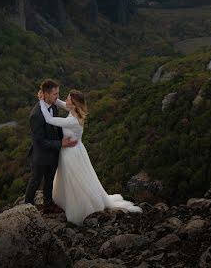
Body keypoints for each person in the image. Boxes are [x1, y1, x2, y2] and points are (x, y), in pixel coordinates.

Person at [36, 87, 143, 225]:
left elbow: (49, 119)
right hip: (77, 149)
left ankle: (79, 206)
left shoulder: (72, 120)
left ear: (74, 104)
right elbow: (60, 103)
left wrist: (40, 101)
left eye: (68, 99)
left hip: (71, 153)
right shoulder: (76, 112)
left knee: (74, 179)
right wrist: (48, 97)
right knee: (77, 178)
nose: (66, 100)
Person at [24, 79, 77, 213]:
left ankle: (48, 206)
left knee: (50, 180)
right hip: (40, 155)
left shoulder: (53, 106)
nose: (57, 97)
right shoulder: (36, 114)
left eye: (58, 93)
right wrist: (61, 143)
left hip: (53, 152)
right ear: (46, 94)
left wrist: (64, 137)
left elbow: (56, 127)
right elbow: (39, 140)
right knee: (35, 181)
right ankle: (27, 208)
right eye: (55, 94)